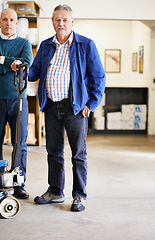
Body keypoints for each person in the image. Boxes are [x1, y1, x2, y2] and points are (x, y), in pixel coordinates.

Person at [29, 5, 106, 212]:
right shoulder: (46, 46)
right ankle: (55, 191)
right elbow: (34, 71)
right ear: (52, 22)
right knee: (53, 152)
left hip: (76, 108)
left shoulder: (85, 45)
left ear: (72, 22)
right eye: (56, 20)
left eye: (65, 20)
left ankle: (79, 195)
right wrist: (19, 69)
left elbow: (98, 77)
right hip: (51, 106)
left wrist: (91, 104)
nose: (60, 23)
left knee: (78, 154)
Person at [0, 8, 33, 199]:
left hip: (19, 99)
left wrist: (2, 60)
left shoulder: (24, 43)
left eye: (12, 20)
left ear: (16, 23)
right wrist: (11, 65)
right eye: (5, 20)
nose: (8, 23)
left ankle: (18, 182)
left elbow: (25, 64)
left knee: (19, 143)